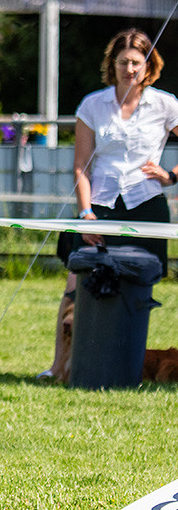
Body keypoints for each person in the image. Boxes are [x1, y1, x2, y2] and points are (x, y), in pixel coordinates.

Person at [41, 28, 178, 381]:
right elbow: (81, 165)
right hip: (99, 206)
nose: (129, 69)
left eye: (136, 62)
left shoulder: (166, 104)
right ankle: (59, 368)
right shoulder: (92, 105)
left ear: (148, 66)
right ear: (112, 65)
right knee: (75, 287)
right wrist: (86, 214)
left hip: (146, 205)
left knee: (136, 290)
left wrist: (170, 175)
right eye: (122, 62)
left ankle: (125, 367)